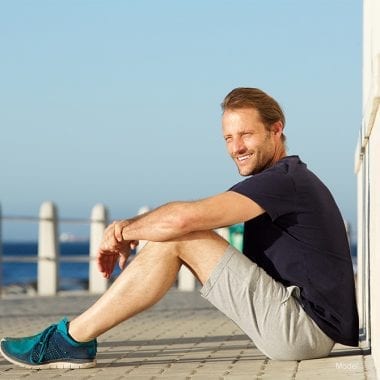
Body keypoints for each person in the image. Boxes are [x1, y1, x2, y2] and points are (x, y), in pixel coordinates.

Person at [0, 87, 358, 369]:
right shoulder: (280, 180)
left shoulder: (284, 181)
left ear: (276, 129)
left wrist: (124, 230)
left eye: (245, 135)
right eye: (228, 138)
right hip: (302, 328)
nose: (236, 148)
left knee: (180, 235)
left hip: (303, 332)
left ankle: (71, 339)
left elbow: (185, 219)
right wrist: (141, 231)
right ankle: (73, 338)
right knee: (173, 234)